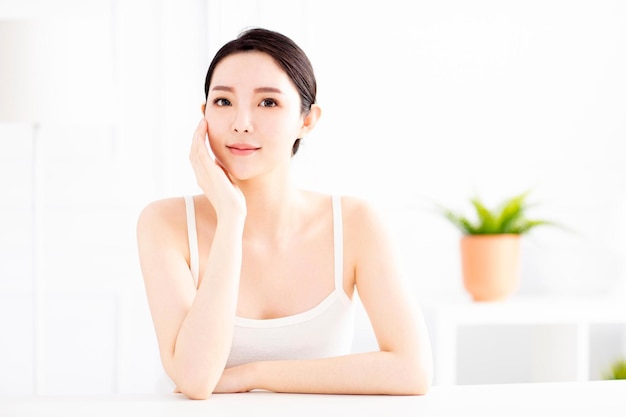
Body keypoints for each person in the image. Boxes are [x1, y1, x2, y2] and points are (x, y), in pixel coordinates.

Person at [136, 27, 433, 400]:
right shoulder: (164, 224)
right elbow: (195, 380)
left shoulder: (355, 222)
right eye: (224, 102)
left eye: (268, 103)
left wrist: (254, 374)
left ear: (307, 121)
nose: (241, 122)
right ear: (204, 115)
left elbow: (411, 371)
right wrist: (231, 218)